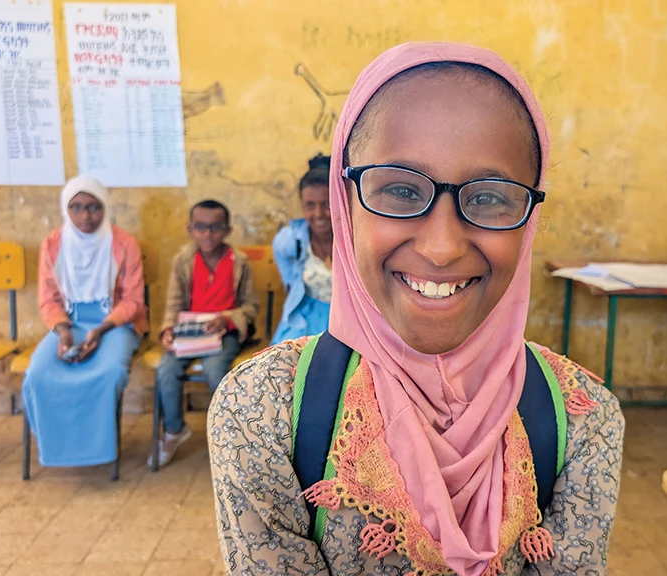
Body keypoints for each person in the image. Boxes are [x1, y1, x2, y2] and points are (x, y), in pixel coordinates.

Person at [208, 43, 624, 575]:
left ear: (529, 214)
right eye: (401, 190)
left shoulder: (583, 420)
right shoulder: (260, 412)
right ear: (346, 203)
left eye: (490, 197)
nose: (442, 246)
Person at [22, 176, 146, 467]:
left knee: (110, 373)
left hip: (115, 325)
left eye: (94, 207)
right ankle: (58, 451)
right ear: (66, 210)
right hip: (70, 323)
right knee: (38, 374)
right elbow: (48, 300)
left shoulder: (124, 244)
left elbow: (133, 300)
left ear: (106, 208)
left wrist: (101, 330)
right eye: (76, 208)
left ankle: (99, 452)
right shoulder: (53, 245)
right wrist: (64, 332)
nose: (85, 217)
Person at [150, 199, 259, 468]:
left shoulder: (239, 262)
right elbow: (174, 303)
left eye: (215, 227)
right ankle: (174, 429)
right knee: (166, 369)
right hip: (189, 332)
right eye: (200, 227)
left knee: (216, 371)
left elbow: (251, 306)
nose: (208, 234)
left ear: (227, 230)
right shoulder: (184, 260)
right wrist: (167, 330)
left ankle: (230, 436)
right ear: (190, 229)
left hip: (224, 333)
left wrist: (227, 319)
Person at [270, 154, 334, 344]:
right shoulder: (291, 241)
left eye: (327, 204)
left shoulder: (355, 240)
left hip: (346, 320)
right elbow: (290, 281)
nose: (318, 214)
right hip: (304, 320)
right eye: (309, 205)